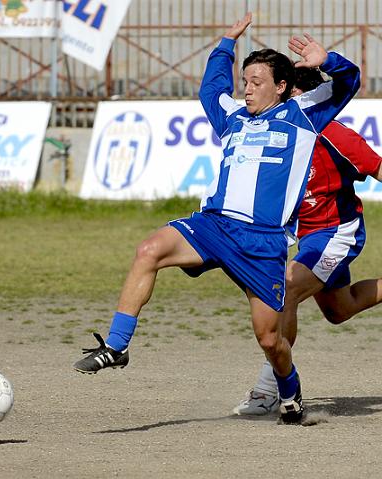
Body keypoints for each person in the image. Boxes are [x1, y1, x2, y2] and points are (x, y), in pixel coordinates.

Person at [72, 12, 361, 425]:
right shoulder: (232, 117)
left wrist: (327, 59)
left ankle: (290, 390)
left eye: (257, 83)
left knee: (270, 339)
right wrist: (225, 44)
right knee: (149, 249)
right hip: (213, 226)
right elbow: (213, 86)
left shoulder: (303, 116)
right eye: (245, 82)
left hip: (262, 243)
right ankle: (117, 344)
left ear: (282, 87)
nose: (247, 90)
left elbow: (348, 82)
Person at [233, 66, 382, 416]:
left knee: (286, 287)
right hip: (308, 238)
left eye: (290, 97)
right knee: (338, 310)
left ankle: (272, 388)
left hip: (337, 233)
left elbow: (378, 167)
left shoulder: (333, 134)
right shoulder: (279, 133)